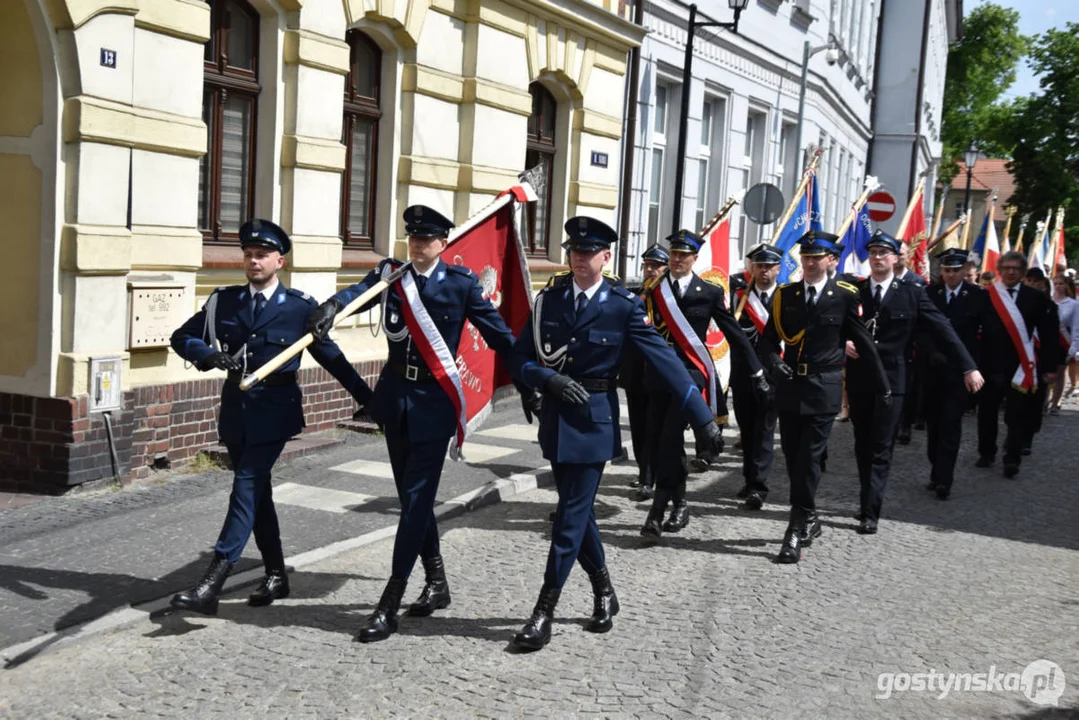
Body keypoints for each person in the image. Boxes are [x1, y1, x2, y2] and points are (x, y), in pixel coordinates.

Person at [305, 205, 520, 643]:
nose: (418, 244)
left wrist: (535, 375)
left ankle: (390, 601)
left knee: (418, 499)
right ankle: (437, 582)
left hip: (434, 403)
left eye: (427, 238)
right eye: (413, 238)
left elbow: (500, 336)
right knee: (411, 501)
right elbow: (358, 292)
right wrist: (331, 306)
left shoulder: (460, 286)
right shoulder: (391, 275)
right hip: (395, 399)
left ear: (443, 244)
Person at [509, 217, 725, 650]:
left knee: (569, 519)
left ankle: (543, 612)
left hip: (593, 422)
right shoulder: (548, 301)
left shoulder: (622, 305)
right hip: (557, 418)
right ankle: (604, 591)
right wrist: (544, 380)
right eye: (574, 251)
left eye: (589, 252)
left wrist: (703, 416)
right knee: (580, 513)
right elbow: (518, 359)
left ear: (606, 257)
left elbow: (665, 359)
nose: (580, 259)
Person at [169, 219, 372, 615]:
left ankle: (212, 581)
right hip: (235, 412)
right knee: (258, 494)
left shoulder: (299, 308)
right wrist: (207, 354)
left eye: (262, 255)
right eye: (248, 254)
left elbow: (332, 358)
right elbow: (182, 337)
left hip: (275, 412)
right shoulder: (224, 302)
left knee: (246, 486)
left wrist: (369, 399)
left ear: (280, 261)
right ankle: (277, 575)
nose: (253, 261)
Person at [757, 231, 889, 563]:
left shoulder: (844, 295)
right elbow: (769, 341)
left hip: (823, 389)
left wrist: (883, 385)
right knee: (791, 456)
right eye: (806, 256)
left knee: (809, 458)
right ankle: (810, 516)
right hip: (790, 388)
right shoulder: (785, 295)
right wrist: (774, 363)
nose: (811, 262)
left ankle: (795, 526)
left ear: (831, 260)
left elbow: (863, 341)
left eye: (817, 257)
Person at [845, 231, 983, 531]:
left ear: (896, 258)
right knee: (862, 443)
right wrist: (842, 343)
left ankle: (871, 510)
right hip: (860, 379)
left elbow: (943, 330)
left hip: (892, 381)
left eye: (885, 252)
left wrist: (968, 366)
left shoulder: (912, 292)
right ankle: (865, 497)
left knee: (881, 445)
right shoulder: (854, 290)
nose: (878, 257)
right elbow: (833, 325)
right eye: (874, 252)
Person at [638, 229, 770, 537]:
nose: (677, 259)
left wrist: (756, 371)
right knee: (659, 445)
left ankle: (657, 513)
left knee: (670, 439)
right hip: (657, 377)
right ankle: (681, 504)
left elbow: (733, 332)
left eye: (684, 255)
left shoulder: (708, 292)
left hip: (689, 377)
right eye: (674, 254)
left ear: (695, 259)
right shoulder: (653, 289)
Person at [975, 251, 1060, 478]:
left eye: (1016, 268)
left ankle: (1012, 457)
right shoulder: (985, 296)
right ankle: (986, 451)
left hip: (1022, 365)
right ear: (1000, 270)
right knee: (987, 411)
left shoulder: (1036, 298)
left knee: (1017, 414)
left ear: (1022, 272)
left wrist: (1050, 368)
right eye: (1007, 268)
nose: (1011, 272)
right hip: (990, 364)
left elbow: (1049, 335)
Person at [922, 248, 990, 499]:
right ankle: (935, 468)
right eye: (946, 270)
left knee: (951, 424)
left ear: (964, 271)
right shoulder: (929, 293)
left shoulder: (977, 296)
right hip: (932, 369)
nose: (950, 274)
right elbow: (921, 329)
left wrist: (977, 366)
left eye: (955, 270)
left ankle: (944, 479)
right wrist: (930, 351)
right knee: (934, 425)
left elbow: (986, 335)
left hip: (960, 372)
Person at [729, 243, 782, 509]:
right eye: (759, 266)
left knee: (764, 430)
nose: (764, 271)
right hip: (742, 373)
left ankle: (759, 486)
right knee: (747, 430)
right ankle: (749, 479)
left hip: (771, 374)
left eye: (769, 267)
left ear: (778, 269)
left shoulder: (786, 297)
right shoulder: (739, 296)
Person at [621, 244, 669, 500]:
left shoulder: (670, 299)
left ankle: (653, 477)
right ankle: (643, 473)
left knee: (656, 427)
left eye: (656, 266)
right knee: (638, 427)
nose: (650, 270)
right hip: (635, 372)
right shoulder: (633, 296)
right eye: (647, 265)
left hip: (661, 374)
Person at [1047, 274, 1076, 414]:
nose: (1058, 286)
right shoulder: (1047, 300)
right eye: (1056, 283)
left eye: (1061, 283)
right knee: (1046, 372)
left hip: (1063, 341)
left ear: (1066, 286)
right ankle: (1045, 401)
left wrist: (1074, 347)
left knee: (1059, 373)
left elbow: (1076, 327)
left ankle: (1055, 403)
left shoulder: (1073, 304)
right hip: (1047, 341)